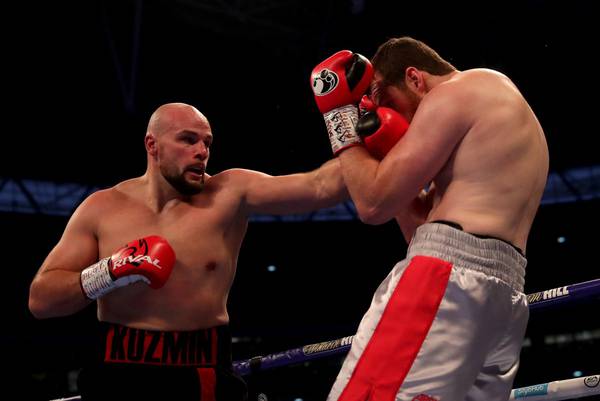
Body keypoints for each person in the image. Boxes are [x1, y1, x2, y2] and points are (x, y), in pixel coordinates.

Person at [28, 102, 349, 401]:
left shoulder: (229, 193)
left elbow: (321, 186)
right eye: (188, 140)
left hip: (202, 372)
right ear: (152, 145)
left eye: (207, 143)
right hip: (117, 372)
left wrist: (346, 119)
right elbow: (41, 301)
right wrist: (108, 271)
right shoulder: (102, 207)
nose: (201, 151)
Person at [311, 37, 549, 400]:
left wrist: (339, 116)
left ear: (415, 78)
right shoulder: (496, 99)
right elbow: (420, 232)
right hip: (503, 299)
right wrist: (385, 149)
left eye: (386, 101)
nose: (384, 114)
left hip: (445, 281)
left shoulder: (451, 93)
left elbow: (372, 205)